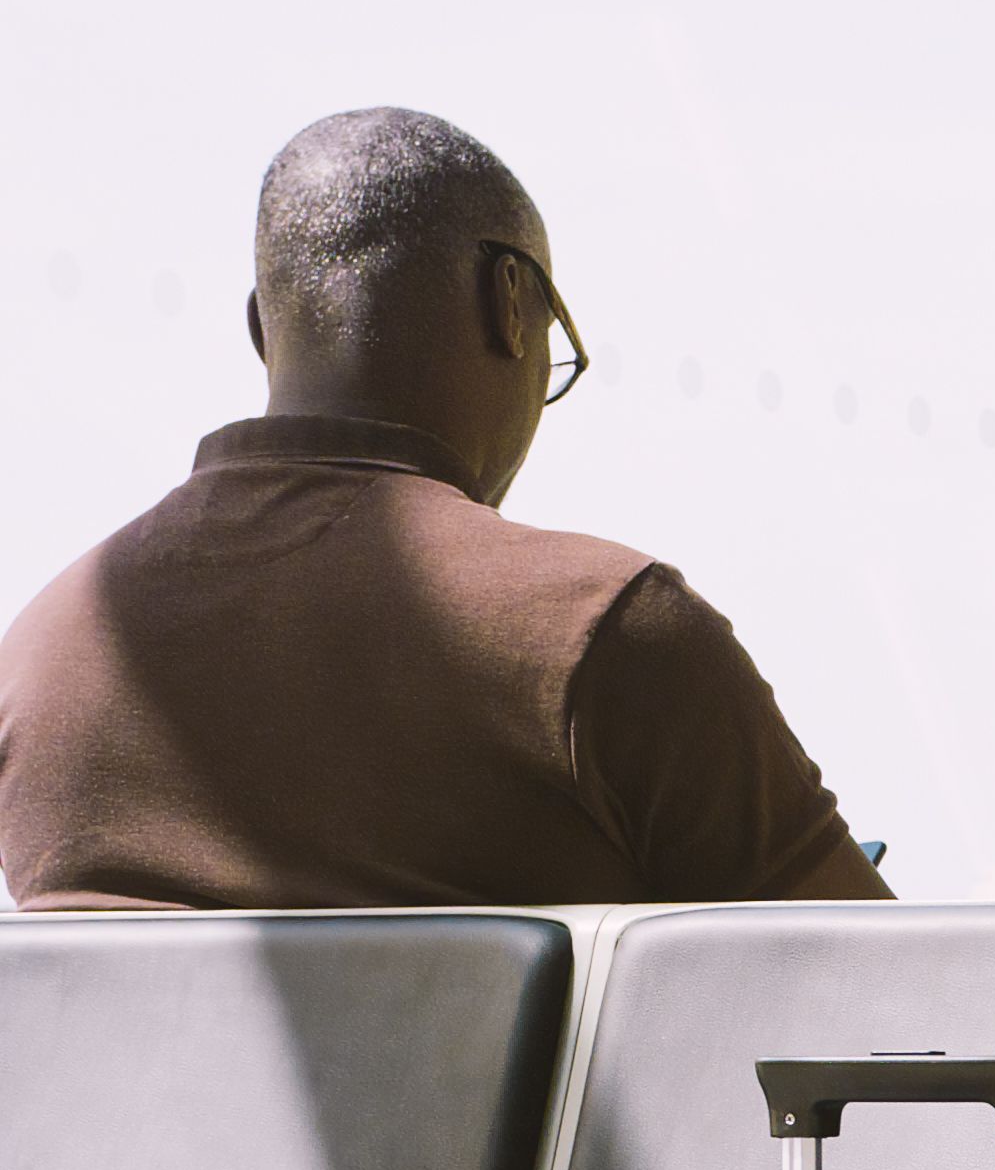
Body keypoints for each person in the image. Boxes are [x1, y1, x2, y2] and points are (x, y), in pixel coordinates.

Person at [0, 107, 882, 908]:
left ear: (264, 331)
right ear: (512, 301)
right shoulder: (602, 632)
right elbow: (894, 1009)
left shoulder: (40, 658)